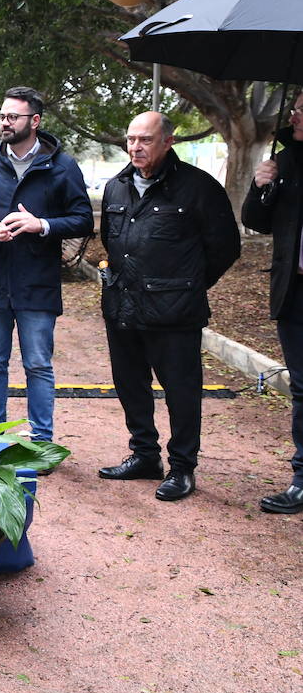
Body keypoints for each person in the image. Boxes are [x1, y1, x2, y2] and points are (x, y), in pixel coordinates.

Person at [97, 112, 239, 501]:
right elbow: (110, 240)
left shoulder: (198, 188)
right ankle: (144, 455)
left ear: (168, 142)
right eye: (130, 140)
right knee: (130, 385)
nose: (136, 147)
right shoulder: (117, 186)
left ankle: (182, 467)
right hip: (122, 307)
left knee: (181, 391)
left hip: (175, 313)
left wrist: (187, 285)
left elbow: (225, 248)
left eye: (145, 140)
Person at [0, 87, 93, 446]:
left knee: (39, 366)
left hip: (38, 282)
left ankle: (41, 442)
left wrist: (41, 225)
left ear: (35, 121)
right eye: (1, 116)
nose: (4, 123)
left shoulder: (62, 167)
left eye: (12, 117)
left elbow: (82, 220)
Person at [242, 91, 303, 514]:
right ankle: (302, 479)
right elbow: (256, 221)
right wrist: (261, 185)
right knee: (302, 388)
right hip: (295, 291)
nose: (296, 113)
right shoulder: (286, 158)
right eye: (296, 106)